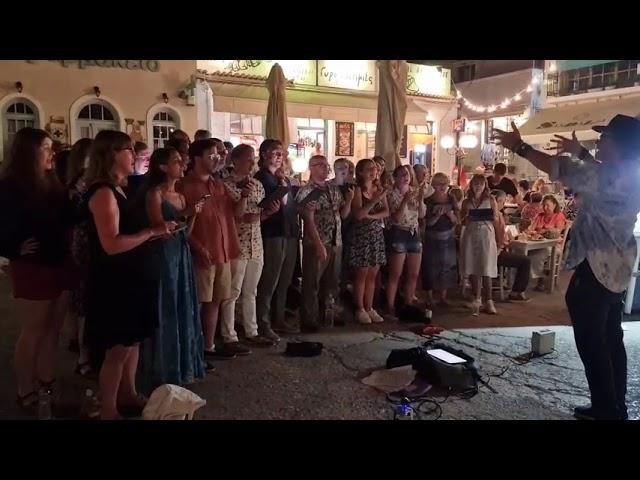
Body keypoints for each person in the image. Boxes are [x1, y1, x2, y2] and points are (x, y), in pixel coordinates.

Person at [493, 115, 640, 420]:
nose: (599, 141)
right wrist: (584, 153)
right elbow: (599, 172)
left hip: (597, 267)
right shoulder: (631, 173)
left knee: (591, 338)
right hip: (619, 266)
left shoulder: (605, 177)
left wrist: (518, 145)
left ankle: (605, 408)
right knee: (611, 336)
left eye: (605, 138)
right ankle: (615, 404)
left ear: (620, 145)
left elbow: (559, 168)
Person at [83, 130, 174, 420]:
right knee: (117, 348)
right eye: (128, 150)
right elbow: (111, 244)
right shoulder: (103, 192)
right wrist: (150, 232)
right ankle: (109, 409)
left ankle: (128, 393)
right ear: (111, 155)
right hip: (115, 280)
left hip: (133, 274)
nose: (134, 155)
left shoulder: (123, 187)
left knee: (133, 341)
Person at [0, 128, 77, 417]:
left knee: (52, 331)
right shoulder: (9, 187)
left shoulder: (51, 181)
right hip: (34, 266)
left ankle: (46, 386)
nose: (52, 153)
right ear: (29, 152)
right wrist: (13, 248)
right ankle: (25, 391)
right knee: (34, 330)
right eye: (46, 148)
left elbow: (68, 216)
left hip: (59, 262)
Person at [138, 147, 209, 391]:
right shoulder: (155, 194)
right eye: (176, 162)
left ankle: (183, 361)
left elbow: (185, 232)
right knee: (166, 304)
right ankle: (160, 366)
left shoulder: (179, 195)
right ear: (162, 167)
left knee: (183, 304)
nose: (182, 165)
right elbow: (160, 231)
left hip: (181, 252)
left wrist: (194, 215)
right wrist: (188, 213)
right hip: (163, 254)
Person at [180, 139, 251, 359]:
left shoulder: (217, 184)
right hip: (203, 251)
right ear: (196, 158)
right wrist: (197, 247)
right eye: (211, 155)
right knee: (199, 301)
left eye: (218, 155)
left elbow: (235, 214)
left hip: (223, 250)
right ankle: (193, 348)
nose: (217, 158)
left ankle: (208, 346)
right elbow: (181, 223)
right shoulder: (184, 186)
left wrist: (245, 196)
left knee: (216, 300)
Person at [221, 145, 280, 347]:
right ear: (235, 161)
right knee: (232, 291)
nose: (252, 163)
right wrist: (246, 199)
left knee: (251, 290)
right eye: (248, 159)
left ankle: (251, 330)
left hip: (256, 241)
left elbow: (258, 212)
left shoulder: (257, 183)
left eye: (253, 159)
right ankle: (229, 334)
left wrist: (269, 211)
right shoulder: (226, 185)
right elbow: (234, 215)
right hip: (237, 242)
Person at [296, 155, 353, 331]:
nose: (324, 168)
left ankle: (327, 314)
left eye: (326, 164)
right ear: (311, 168)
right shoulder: (306, 191)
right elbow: (308, 219)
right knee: (312, 282)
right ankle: (309, 318)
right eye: (320, 165)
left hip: (336, 240)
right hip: (317, 241)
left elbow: (342, 214)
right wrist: (319, 244)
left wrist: (349, 200)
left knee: (332, 282)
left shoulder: (332, 188)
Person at [254, 139, 300, 340]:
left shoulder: (283, 179)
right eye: (276, 153)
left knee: (285, 279)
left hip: (289, 230)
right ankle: (263, 322)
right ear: (264, 154)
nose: (281, 157)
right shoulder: (261, 178)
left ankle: (279, 317)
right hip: (272, 231)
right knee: (269, 279)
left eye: (282, 153)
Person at [348, 158, 389, 324]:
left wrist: (371, 215)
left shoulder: (378, 188)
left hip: (376, 234)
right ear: (361, 172)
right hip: (361, 235)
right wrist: (374, 200)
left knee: (373, 274)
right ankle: (359, 308)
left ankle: (369, 306)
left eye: (375, 169)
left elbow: (386, 212)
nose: (374, 171)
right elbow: (358, 214)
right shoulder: (357, 190)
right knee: (361, 275)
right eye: (369, 169)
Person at [66, 138, 94, 375]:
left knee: (80, 300)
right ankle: (85, 356)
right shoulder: (84, 182)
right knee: (85, 300)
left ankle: (79, 343)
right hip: (86, 243)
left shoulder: (77, 181)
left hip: (82, 241)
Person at [385, 165, 427, 315]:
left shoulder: (414, 192)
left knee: (413, 273)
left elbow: (421, 215)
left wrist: (420, 198)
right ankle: (390, 306)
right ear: (395, 178)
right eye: (402, 175)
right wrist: (405, 200)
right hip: (398, 233)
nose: (406, 177)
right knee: (395, 274)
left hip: (413, 233)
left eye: (408, 174)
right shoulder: (390, 194)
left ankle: (409, 302)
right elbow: (395, 217)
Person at [461, 174, 499, 316]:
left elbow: (495, 217)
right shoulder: (466, 201)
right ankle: (477, 299)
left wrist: (488, 215)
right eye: (475, 184)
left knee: (486, 267)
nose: (478, 186)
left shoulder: (490, 200)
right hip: (471, 233)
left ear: (485, 186)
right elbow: (462, 220)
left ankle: (489, 300)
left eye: (481, 184)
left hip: (486, 233)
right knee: (474, 266)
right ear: (471, 185)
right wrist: (468, 217)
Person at [423, 173, 459, 307]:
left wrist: (450, 215)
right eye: (439, 184)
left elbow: (457, 220)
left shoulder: (451, 198)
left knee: (447, 266)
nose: (443, 186)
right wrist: (437, 216)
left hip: (448, 236)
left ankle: (443, 297)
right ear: (433, 185)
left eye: (445, 183)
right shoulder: (429, 199)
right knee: (430, 266)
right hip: (432, 236)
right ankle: (429, 297)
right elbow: (427, 223)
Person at [492, 189, 531, 301]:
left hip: (491, 251)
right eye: (502, 202)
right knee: (525, 261)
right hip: (495, 253)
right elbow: (502, 239)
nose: (503, 204)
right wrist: (507, 241)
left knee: (519, 256)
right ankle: (516, 292)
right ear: (497, 201)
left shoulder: (493, 214)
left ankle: (506, 282)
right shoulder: (496, 215)